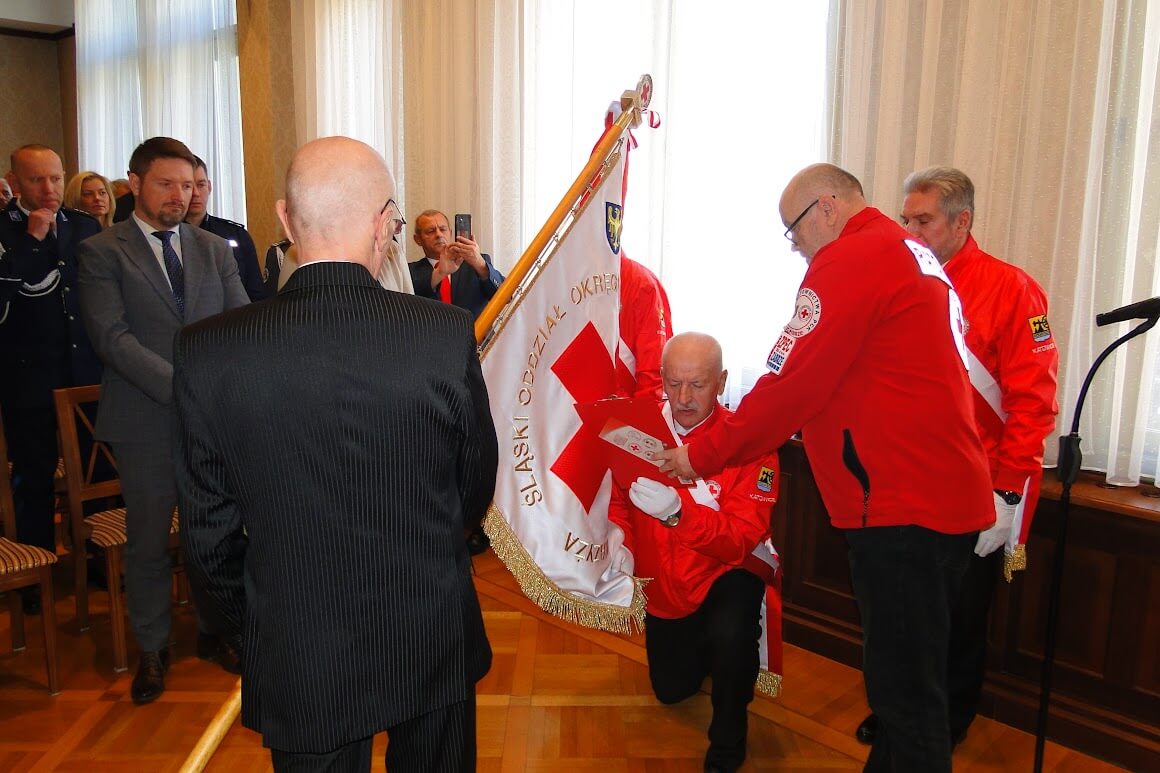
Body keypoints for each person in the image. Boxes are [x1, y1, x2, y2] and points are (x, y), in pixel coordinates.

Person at [173, 136, 497, 772]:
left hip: (299, 642)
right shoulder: (441, 334)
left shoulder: (208, 350)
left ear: (285, 218)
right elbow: (474, 484)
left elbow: (207, 537)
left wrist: (255, 629)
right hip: (428, 624)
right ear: (384, 223)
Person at [657, 163, 994, 773]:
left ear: (828, 207)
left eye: (794, 231)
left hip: (902, 507)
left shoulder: (848, 260)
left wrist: (700, 454)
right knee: (903, 688)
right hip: (935, 498)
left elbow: (788, 382)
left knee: (909, 702)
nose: (796, 248)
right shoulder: (911, 254)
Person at [848, 166, 1059, 748]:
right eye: (905, 220)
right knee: (899, 613)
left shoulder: (1012, 290)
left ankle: (947, 720)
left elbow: (1032, 403)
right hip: (904, 480)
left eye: (923, 221)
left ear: (962, 222)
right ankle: (897, 713)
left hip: (975, 486)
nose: (910, 232)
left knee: (957, 618)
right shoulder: (899, 280)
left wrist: (1008, 492)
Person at [76, 136, 250, 704]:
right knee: (148, 545)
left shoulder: (213, 248)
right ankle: (152, 649)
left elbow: (239, 324)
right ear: (135, 184)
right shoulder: (102, 251)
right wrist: (185, 388)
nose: (180, 195)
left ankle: (216, 632)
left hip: (211, 425)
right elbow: (112, 338)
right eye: (166, 184)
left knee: (213, 537)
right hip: (143, 421)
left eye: (188, 184)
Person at [608, 332, 779, 773]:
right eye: (673, 383)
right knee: (671, 690)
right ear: (661, 377)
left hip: (724, 570)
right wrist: (620, 543)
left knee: (732, 636)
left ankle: (729, 738)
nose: (683, 398)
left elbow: (741, 538)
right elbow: (618, 500)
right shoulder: (634, 428)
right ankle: (706, 647)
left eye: (698, 385)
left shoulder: (751, 442)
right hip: (665, 582)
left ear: (721, 381)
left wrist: (679, 515)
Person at [1, 145, 103, 614]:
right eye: (37, 180)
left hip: (83, 371)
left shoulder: (83, 226)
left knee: (96, 470)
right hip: (28, 378)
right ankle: (35, 575)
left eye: (56, 178)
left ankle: (98, 561)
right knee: (34, 479)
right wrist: (30, 241)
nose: (49, 189)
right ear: (15, 182)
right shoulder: (5, 228)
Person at [185, 155, 267, 301]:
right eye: (188, 186)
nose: (195, 193)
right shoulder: (169, 236)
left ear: (209, 187)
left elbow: (256, 293)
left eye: (201, 185)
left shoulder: (236, 234)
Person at [408, 210, 504, 319]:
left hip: (473, 329)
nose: (439, 235)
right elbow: (408, 300)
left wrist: (480, 265)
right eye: (431, 231)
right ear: (418, 239)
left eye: (443, 229)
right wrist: (439, 273)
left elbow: (504, 296)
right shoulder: (409, 271)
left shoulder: (476, 264)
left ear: (450, 233)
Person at [617, 253, 672, 400]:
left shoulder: (641, 283)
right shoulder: (571, 279)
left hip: (626, 409)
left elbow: (652, 375)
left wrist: (641, 413)